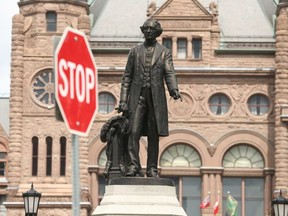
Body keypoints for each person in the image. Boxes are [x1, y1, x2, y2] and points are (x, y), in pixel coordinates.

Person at [117, 18, 181, 177]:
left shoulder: (164, 52)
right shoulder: (134, 52)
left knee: (153, 134)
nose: (148, 31)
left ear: (157, 32)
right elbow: (127, 78)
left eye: (151, 29)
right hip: (137, 97)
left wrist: (173, 89)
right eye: (146, 29)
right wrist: (123, 101)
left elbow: (169, 72)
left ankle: (152, 168)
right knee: (133, 131)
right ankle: (134, 165)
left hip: (155, 97)